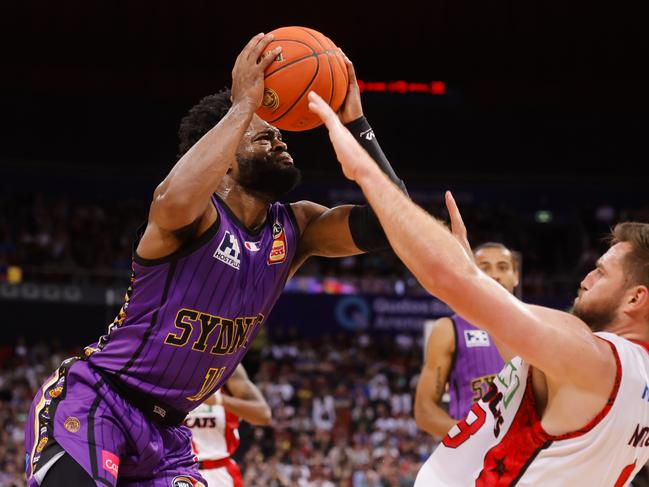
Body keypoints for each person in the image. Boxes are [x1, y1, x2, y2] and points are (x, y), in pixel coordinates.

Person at [25, 32, 407, 487]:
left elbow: (394, 223)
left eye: (277, 129)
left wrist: (356, 123)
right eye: (262, 133)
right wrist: (243, 105)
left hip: (168, 436)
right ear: (222, 157)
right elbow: (171, 196)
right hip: (99, 400)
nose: (279, 136)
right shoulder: (190, 215)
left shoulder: (297, 227)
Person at [308, 90, 649, 486]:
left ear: (636, 298)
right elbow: (508, 340)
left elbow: (448, 279)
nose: (585, 278)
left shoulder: (593, 358)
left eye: (601, 272)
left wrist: (363, 170)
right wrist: (472, 275)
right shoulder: (625, 377)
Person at [415, 243, 519, 437]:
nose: (495, 275)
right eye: (484, 268)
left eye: (503, 267)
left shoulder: (538, 329)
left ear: (516, 276)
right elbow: (424, 413)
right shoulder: (448, 329)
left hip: (531, 457)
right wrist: (472, 437)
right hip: (475, 460)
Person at [185, 364, 271, 487]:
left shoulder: (228, 365)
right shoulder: (166, 364)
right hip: (177, 471)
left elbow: (263, 415)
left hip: (220, 473)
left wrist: (219, 400)